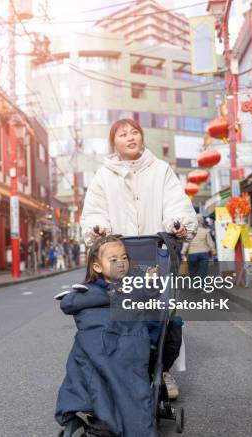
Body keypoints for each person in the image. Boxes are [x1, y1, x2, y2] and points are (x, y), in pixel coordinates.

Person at [80, 118, 197, 401]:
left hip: (155, 253)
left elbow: (176, 203)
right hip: (118, 257)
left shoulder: (161, 170)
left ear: (142, 138)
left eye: (135, 132)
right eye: (123, 134)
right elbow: (94, 211)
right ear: (114, 143)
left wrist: (178, 223)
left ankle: (162, 370)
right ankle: (120, 370)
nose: (130, 137)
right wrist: (98, 228)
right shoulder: (103, 176)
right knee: (119, 313)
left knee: (161, 312)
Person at [55, 235, 158, 436]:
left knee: (116, 365)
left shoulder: (135, 285)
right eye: (113, 260)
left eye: (124, 257)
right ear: (97, 267)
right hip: (96, 337)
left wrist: (151, 285)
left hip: (129, 338)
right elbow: (72, 305)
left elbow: (147, 303)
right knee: (83, 356)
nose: (121, 263)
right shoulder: (89, 292)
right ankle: (93, 410)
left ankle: (110, 418)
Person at [182, 214, 216, 280]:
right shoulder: (205, 231)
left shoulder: (190, 232)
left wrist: (183, 252)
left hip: (192, 254)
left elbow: (186, 243)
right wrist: (213, 251)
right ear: (202, 221)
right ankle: (202, 286)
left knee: (193, 271)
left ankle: (195, 286)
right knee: (203, 271)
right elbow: (210, 243)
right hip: (204, 253)